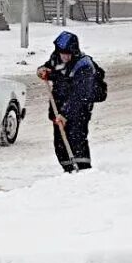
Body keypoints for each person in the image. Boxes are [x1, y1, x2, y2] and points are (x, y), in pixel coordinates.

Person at [37, 31, 96, 172]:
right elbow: (49, 69)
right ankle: (67, 169)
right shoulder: (56, 59)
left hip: (78, 109)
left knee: (76, 139)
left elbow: (80, 95)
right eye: (62, 53)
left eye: (68, 53)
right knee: (60, 142)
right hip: (58, 106)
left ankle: (82, 169)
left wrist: (65, 114)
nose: (65, 56)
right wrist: (42, 71)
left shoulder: (84, 65)